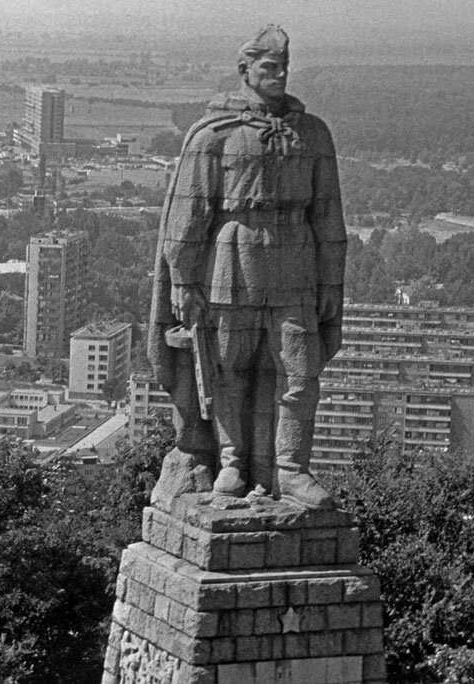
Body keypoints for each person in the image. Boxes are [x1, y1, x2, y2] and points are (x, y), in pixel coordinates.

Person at [147, 25, 346, 510]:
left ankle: (290, 469)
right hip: (230, 260)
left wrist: (330, 281)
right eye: (269, 67)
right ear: (245, 71)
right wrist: (184, 278)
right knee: (229, 368)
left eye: (284, 68)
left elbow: (328, 213)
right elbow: (188, 212)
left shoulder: (312, 133)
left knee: (299, 374)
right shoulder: (216, 134)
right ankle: (233, 461)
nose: (279, 76)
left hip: (295, 261)